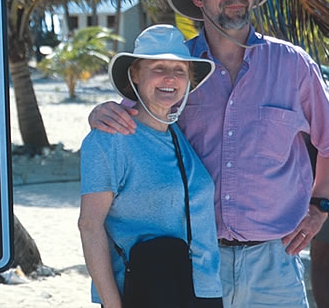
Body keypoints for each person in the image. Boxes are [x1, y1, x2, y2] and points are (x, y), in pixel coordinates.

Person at [88, 0, 329, 307]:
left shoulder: (293, 65)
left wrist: (320, 208)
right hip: (196, 263)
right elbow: (130, 121)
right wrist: (100, 112)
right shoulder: (175, 67)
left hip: (276, 263)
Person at [78, 24, 223, 307]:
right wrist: (112, 304)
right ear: (135, 74)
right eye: (157, 67)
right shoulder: (108, 141)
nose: (170, 77)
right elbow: (89, 226)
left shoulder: (175, 131)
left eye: (179, 70)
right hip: (144, 291)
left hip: (201, 290)